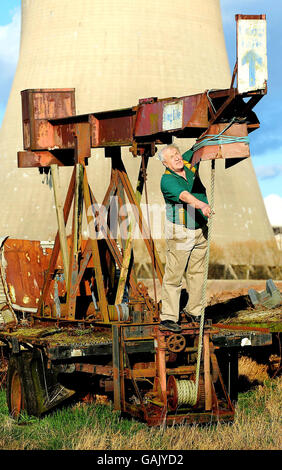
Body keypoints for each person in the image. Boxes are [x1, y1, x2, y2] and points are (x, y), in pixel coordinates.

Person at [158, 144, 212, 332]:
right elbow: (185, 196)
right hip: (181, 232)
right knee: (175, 275)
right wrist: (202, 206)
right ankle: (168, 317)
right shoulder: (167, 181)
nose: (177, 157)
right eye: (172, 157)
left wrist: (211, 132)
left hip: (199, 229)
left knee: (197, 272)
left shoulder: (188, 163)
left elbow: (199, 145)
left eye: (177, 153)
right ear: (165, 163)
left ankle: (195, 311)